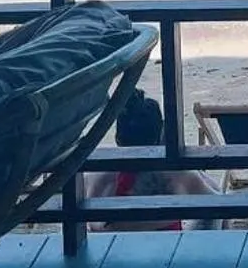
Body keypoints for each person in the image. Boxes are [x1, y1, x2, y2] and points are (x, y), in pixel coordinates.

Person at [80, 90, 222, 231]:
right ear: (160, 133)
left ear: (118, 137)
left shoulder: (96, 176)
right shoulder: (176, 176)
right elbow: (218, 204)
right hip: (167, 250)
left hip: (111, 250)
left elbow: (95, 227)